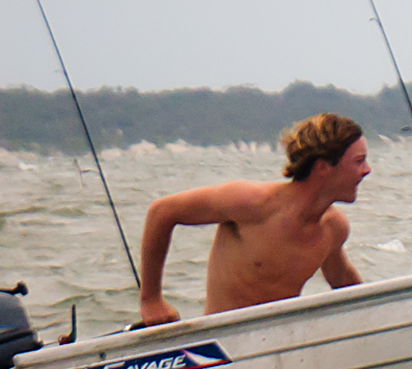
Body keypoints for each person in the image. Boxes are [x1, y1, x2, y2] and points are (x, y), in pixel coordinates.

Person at [136, 113, 370, 326]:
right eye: (359, 161)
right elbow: (162, 212)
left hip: (278, 342)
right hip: (223, 342)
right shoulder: (253, 204)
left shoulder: (333, 228)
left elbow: (341, 278)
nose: (367, 170)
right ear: (323, 168)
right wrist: (151, 300)